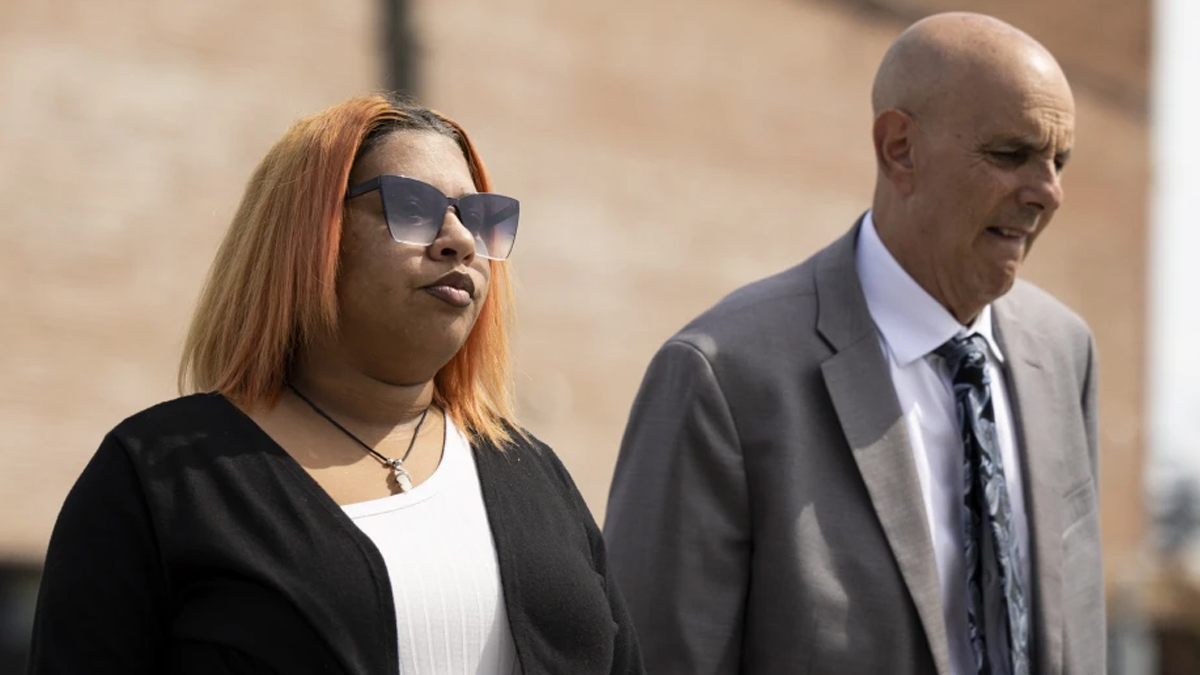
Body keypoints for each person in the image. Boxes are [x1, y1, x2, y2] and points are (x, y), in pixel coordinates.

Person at [28, 93, 643, 675]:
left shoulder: (536, 476)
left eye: (480, 219)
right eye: (412, 207)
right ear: (307, 235)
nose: (460, 242)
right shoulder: (162, 475)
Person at [604, 12, 1102, 675]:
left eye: (1059, 161)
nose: (1048, 193)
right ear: (900, 148)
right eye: (1011, 154)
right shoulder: (721, 377)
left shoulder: (1064, 353)